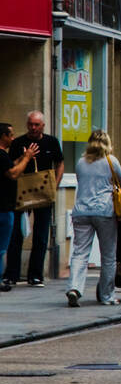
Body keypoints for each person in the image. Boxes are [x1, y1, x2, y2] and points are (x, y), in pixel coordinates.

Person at [66, 130, 121, 307]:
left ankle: (74, 288)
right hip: (104, 212)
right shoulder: (111, 161)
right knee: (108, 256)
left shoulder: (80, 162)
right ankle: (107, 295)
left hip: (81, 212)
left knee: (80, 253)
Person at [5, 111, 65, 288]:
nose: (33, 127)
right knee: (16, 234)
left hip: (43, 191)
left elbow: (60, 162)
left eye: (36, 125)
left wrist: (56, 183)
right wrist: (25, 156)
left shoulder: (51, 142)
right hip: (22, 191)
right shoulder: (18, 143)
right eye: (30, 124)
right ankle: (12, 274)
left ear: (43, 126)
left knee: (41, 234)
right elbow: (11, 166)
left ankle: (35, 275)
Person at [0, 125, 40, 291]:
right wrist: (26, 158)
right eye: (11, 135)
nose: (13, 139)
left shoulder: (3, 157)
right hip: (3, 208)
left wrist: (23, 157)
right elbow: (13, 173)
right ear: (3, 136)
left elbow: (9, 166)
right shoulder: (1, 155)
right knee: (2, 247)